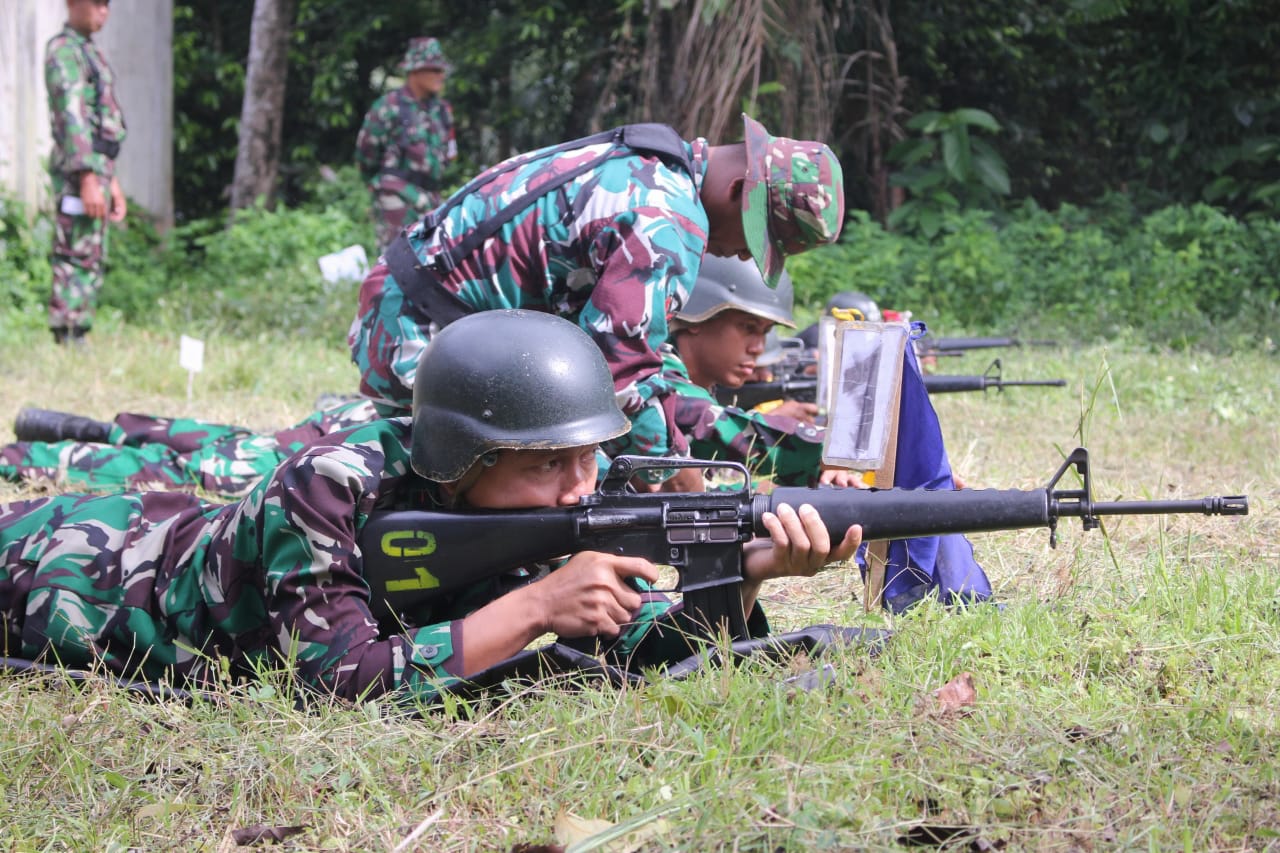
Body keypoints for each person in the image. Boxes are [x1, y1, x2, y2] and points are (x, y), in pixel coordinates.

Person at [0, 310, 861, 704]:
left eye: (589, 454)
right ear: (463, 460)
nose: (579, 484)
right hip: (81, 575)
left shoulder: (535, 513)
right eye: (548, 462)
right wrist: (535, 607)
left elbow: (640, 646)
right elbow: (340, 680)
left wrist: (748, 574)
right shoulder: (328, 485)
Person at [347, 113, 845, 477]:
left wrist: (728, 446)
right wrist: (675, 478)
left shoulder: (652, 167)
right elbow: (620, 380)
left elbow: (644, 367)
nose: (742, 257)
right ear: (739, 190)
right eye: (756, 239)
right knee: (555, 480)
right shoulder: (665, 221)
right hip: (418, 335)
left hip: (420, 312)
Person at [665, 255, 992, 611]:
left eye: (764, 332)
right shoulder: (657, 376)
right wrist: (857, 456)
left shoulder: (688, 384)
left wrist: (829, 489)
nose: (759, 348)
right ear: (695, 317)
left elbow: (715, 481)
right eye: (747, 327)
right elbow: (726, 432)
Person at [1, 399, 378, 499]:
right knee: (208, 472)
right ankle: (17, 459)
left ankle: (94, 430)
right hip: (363, 438)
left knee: (246, 445)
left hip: (365, 419)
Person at [45, 0, 127, 345]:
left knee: (91, 250)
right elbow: (72, 117)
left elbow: (101, 124)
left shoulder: (88, 51)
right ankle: (67, 332)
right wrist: (87, 177)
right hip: (80, 174)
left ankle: (79, 328)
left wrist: (112, 182)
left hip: (97, 170)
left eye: (107, 5)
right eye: (96, 4)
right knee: (74, 250)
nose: (103, 12)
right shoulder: (64, 51)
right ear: (72, 4)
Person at [355, 37, 458, 252]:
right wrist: (381, 185)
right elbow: (366, 156)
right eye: (434, 70)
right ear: (414, 72)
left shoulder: (442, 110)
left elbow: (450, 154)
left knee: (431, 264)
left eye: (442, 70)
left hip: (431, 200)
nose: (441, 76)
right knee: (395, 263)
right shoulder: (388, 108)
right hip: (396, 198)